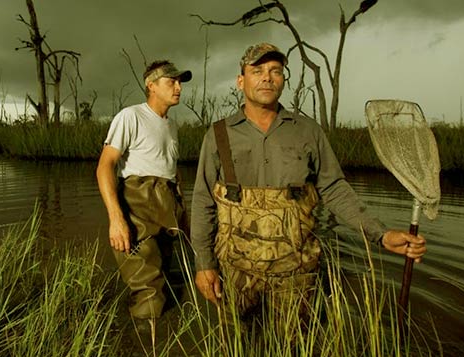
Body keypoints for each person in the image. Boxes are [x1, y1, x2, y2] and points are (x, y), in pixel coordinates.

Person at [190, 43, 427, 327]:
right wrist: (204, 264)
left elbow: (335, 190)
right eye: (258, 71)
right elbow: (202, 202)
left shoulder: (307, 131)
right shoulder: (217, 135)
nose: (267, 77)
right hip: (235, 273)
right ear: (241, 81)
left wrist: (381, 234)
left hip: (297, 275)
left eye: (275, 71)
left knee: (299, 353)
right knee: (236, 350)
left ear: (283, 80)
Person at [96, 60, 192, 320]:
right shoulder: (131, 116)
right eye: (171, 81)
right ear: (151, 86)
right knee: (149, 298)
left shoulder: (172, 126)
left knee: (172, 281)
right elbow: (105, 166)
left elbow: (171, 171)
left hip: (168, 210)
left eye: (180, 82)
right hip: (137, 211)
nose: (178, 87)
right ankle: (140, 348)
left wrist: (184, 215)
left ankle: (164, 342)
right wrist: (116, 219)